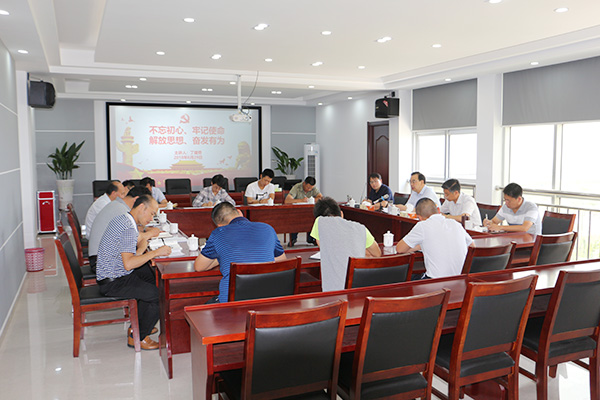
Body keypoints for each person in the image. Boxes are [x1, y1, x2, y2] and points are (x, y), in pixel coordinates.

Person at [96, 195, 172, 350]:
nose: (151, 218)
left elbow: (129, 256)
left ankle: (140, 324)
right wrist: (155, 253)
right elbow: (129, 264)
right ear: (142, 207)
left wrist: (143, 250)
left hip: (113, 272)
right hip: (113, 281)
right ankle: (139, 336)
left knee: (150, 277)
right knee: (158, 295)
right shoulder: (128, 227)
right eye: (151, 213)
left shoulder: (123, 219)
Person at [194, 202, 286, 303]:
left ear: (220, 225)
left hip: (232, 303)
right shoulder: (268, 229)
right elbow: (282, 260)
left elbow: (199, 267)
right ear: (240, 212)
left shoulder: (219, 233)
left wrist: (221, 257)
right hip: (268, 298)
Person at [310, 197, 381, 291]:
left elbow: (322, 245)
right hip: (359, 288)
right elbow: (377, 254)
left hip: (333, 291)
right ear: (341, 213)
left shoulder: (319, 222)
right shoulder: (361, 228)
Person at [396, 198, 473, 279]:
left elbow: (400, 249)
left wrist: (420, 246)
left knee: (411, 277)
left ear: (419, 217)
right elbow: (472, 245)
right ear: (438, 210)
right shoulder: (455, 224)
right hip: (460, 280)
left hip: (436, 282)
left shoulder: (422, 226)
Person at [87, 186, 155, 271]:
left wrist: (145, 230)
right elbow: (136, 238)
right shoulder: (122, 212)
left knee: (145, 266)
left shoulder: (118, 205)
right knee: (148, 269)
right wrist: (151, 233)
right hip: (101, 262)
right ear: (137, 201)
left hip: (102, 256)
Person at [285, 176, 323, 246]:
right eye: (308, 187)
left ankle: (311, 238)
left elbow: (320, 197)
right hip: (296, 212)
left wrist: (313, 200)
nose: (309, 189)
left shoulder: (313, 188)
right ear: (304, 183)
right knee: (295, 220)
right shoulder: (297, 187)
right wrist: (301, 200)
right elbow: (287, 200)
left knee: (313, 217)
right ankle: (293, 238)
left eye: (311, 188)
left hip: (309, 211)